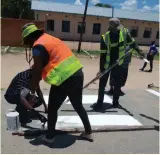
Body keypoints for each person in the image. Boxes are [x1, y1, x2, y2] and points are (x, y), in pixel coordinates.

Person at [20, 23, 93, 143]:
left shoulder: (37, 47)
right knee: (78, 105)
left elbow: (37, 72)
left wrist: (32, 91)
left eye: (27, 41)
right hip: (77, 73)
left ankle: (50, 137)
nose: (28, 44)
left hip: (63, 78)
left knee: (52, 108)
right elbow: (54, 57)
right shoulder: (50, 38)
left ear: (29, 37)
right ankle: (88, 132)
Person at [91, 18, 144, 110]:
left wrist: (139, 51)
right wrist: (101, 69)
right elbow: (103, 55)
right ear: (111, 28)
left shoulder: (124, 33)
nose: (119, 30)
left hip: (119, 62)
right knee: (102, 83)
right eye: (117, 28)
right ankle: (100, 102)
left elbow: (132, 43)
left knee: (117, 83)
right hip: (107, 63)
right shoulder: (105, 37)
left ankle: (115, 102)